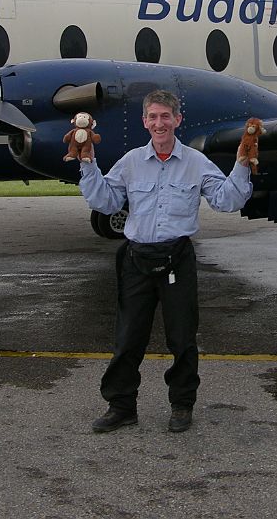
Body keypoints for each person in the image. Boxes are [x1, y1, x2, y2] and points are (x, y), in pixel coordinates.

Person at [78, 89, 253, 433]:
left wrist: (243, 163)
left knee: (182, 337)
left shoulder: (196, 163)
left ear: (177, 120)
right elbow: (106, 201)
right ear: (145, 122)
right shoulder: (129, 163)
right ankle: (121, 406)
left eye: (165, 116)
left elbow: (226, 200)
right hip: (136, 260)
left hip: (177, 259)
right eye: (153, 117)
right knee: (128, 338)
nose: (159, 123)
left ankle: (182, 404)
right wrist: (87, 161)